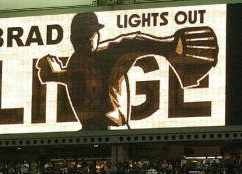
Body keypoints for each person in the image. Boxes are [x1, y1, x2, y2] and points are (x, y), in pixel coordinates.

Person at [36, 12, 218, 130]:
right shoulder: (87, 59)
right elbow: (131, 42)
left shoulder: (98, 56)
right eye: (82, 38)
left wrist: (170, 46)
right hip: (101, 127)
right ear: (73, 38)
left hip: (108, 127)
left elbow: (132, 42)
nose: (86, 41)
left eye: (87, 37)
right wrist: (170, 47)